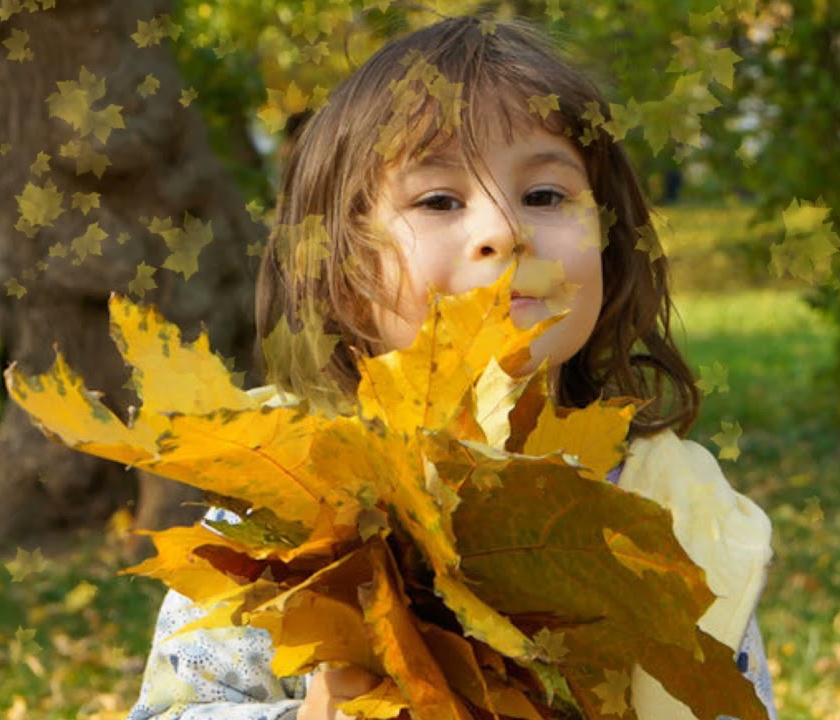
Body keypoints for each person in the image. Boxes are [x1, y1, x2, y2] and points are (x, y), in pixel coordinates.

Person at [128, 15, 775, 720]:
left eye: (545, 196)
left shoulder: (680, 515)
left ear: (610, 251)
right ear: (346, 276)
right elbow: (176, 709)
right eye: (439, 200)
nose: (505, 230)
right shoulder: (291, 496)